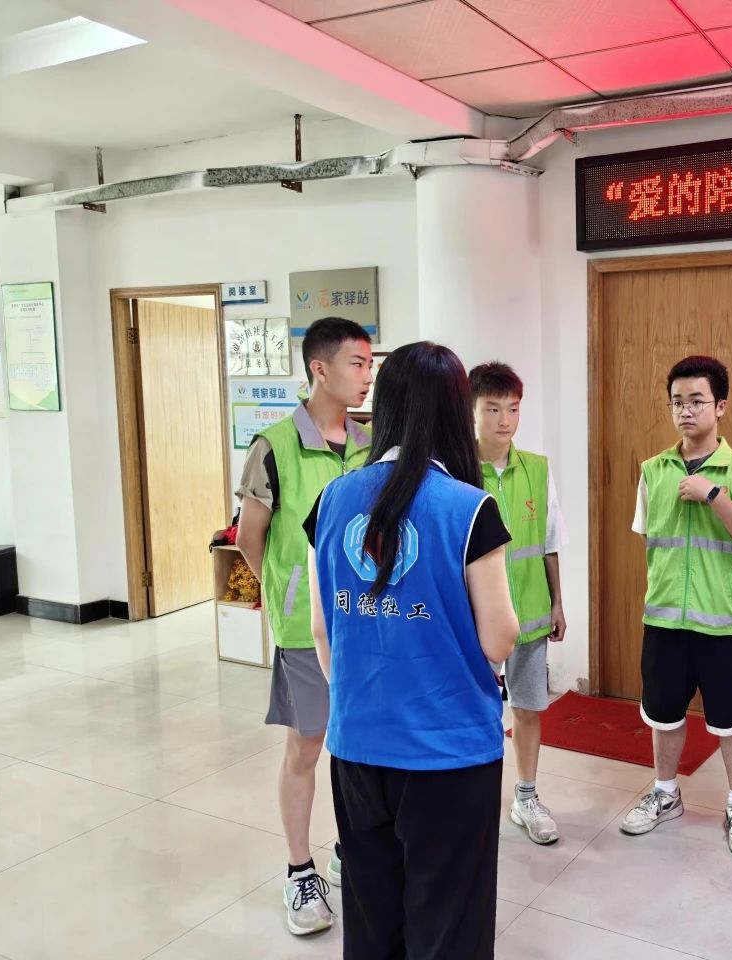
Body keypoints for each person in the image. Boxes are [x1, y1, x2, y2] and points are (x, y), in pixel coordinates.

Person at [307, 341, 518, 960]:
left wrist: (356, 698)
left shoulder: (332, 500)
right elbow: (499, 636)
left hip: (356, 745)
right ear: (457, 412)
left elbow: (322, 629)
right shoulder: (469, 508)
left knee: (372, 919)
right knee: (447, 925)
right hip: (448, 750)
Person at [235, 316, 374, 936]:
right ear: (320, 368)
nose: (367, 377)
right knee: (307, 745)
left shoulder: (371, 442)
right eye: (356, 364)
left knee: (358, 744)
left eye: (370, 365)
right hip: (304, 628)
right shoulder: (274, 446)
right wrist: (289, 590)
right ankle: (299, 871)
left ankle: (348, 850)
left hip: (369, 622)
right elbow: (250, 538)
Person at [621, 355, 732, 857]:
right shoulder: (652, 471)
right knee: (663, 715)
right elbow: (651, 539)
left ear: (720, 406)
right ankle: (665, 794)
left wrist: (715, 496)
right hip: (665, 618)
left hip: (724, 623)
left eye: (697, 401)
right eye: (677, 402)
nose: (686, 411)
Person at [469, 361, 568, 846]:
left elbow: (549, 543)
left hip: (529, 615)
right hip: (475, 622)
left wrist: (557, 603)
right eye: (493, 409)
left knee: (528, 709)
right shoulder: (457, 471)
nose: (504, 420)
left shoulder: (537, 469)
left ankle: (526, 797)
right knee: (478, 713)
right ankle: (475, 801)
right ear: (472, 411)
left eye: (512, 408)